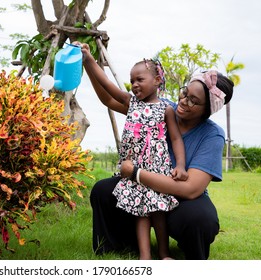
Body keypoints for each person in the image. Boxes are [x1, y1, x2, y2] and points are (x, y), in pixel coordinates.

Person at [79, 43, 234, 260]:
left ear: (207, 110)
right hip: (142, 180)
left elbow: (191, 189)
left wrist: (136, 173)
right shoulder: (159, 107)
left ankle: (185, 255)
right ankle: (123, 246)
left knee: (200, 219)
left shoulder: (211, 134)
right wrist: (87, 61)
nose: (183, 101)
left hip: (179, 194)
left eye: (193, 101)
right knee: (103, 190)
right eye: (185, 93)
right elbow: (108, 98)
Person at [76, 43, 188, 260]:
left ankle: (164, 253)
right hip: (132, 169)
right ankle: (145, 258)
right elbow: (107, 85)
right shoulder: (131, 102)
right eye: (132, 80)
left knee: (158, 212)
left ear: (157, 81)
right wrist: (89, 58)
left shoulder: (166, 109)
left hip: (156, 169)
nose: (134, 84)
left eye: (140, 79)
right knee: (140, 212)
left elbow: (176, 139)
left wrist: (180, 165)